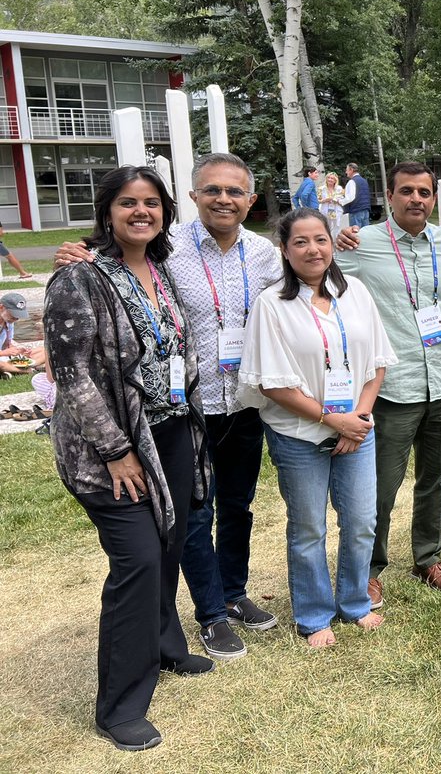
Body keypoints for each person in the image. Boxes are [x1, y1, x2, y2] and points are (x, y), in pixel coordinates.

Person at [55, 153, 284, 661]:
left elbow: (314, 265)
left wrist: (349, 243)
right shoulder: (166, 248)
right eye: (212, 190)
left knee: (238, 506)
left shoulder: (267, 254)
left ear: (250, 199)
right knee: (194, 514)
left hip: (245, 401)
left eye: (234, 192)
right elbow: (113, 265)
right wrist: (75, 252)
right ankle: (211, 614)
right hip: (188, 409)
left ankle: (234, 589)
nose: (223, 199)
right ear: (195, 197)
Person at [43, 165, 213, 752]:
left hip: (170, 433)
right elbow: (73, 376)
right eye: (127, 203)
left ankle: (165, 644)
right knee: (138, 560)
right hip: (108, 449)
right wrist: (116, 451)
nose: (141, 212)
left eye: (151, 204)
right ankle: (120, 705)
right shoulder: (79, 279)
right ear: (107, 212)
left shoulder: (161, 271)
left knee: (170, 543)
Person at [238, 209, 394, 648]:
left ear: (332, 244)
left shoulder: (356, 292)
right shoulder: (272, 305)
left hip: (357, 430)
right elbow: (272, 383)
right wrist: (332, 419)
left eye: (320, 239)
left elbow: (377, 363)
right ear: (285, 251)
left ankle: (354, 603)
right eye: (301, 242)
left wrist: (358, 419)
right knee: (309, 528)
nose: (313, 249)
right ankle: (313, 614)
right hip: (299, 435)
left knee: (362, 521)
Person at [336, 162, 441, 598]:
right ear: (388, 197)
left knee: (435, 478)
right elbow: (315, 271)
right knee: (381, 487)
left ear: (433, 198)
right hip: (391, 388)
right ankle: (369, 567)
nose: (416, 199)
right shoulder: (360, 243)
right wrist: (333, 238)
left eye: (424, 192)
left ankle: (428, 558)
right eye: (406, 191)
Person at [0, 292, 46, 374]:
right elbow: (5, 351)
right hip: (2, 358)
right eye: (13, 314)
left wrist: (19, 351)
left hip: (4, 357)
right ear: (1, 307)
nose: (16, 318)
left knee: (45, 351)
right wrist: (5, 353)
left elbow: (8, 345)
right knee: (1, 364)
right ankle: (28, 371)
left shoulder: (8, 322)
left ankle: (28, 366)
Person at [342, 162, 372, 229]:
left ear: (351, 170)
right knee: (365, 232)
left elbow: (350, 197)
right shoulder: (364, 181)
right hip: (366, 209)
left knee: (356, 234)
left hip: (356, 210)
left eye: (347, 170)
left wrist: (340, 201)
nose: (346, 172)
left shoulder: (352, 181)